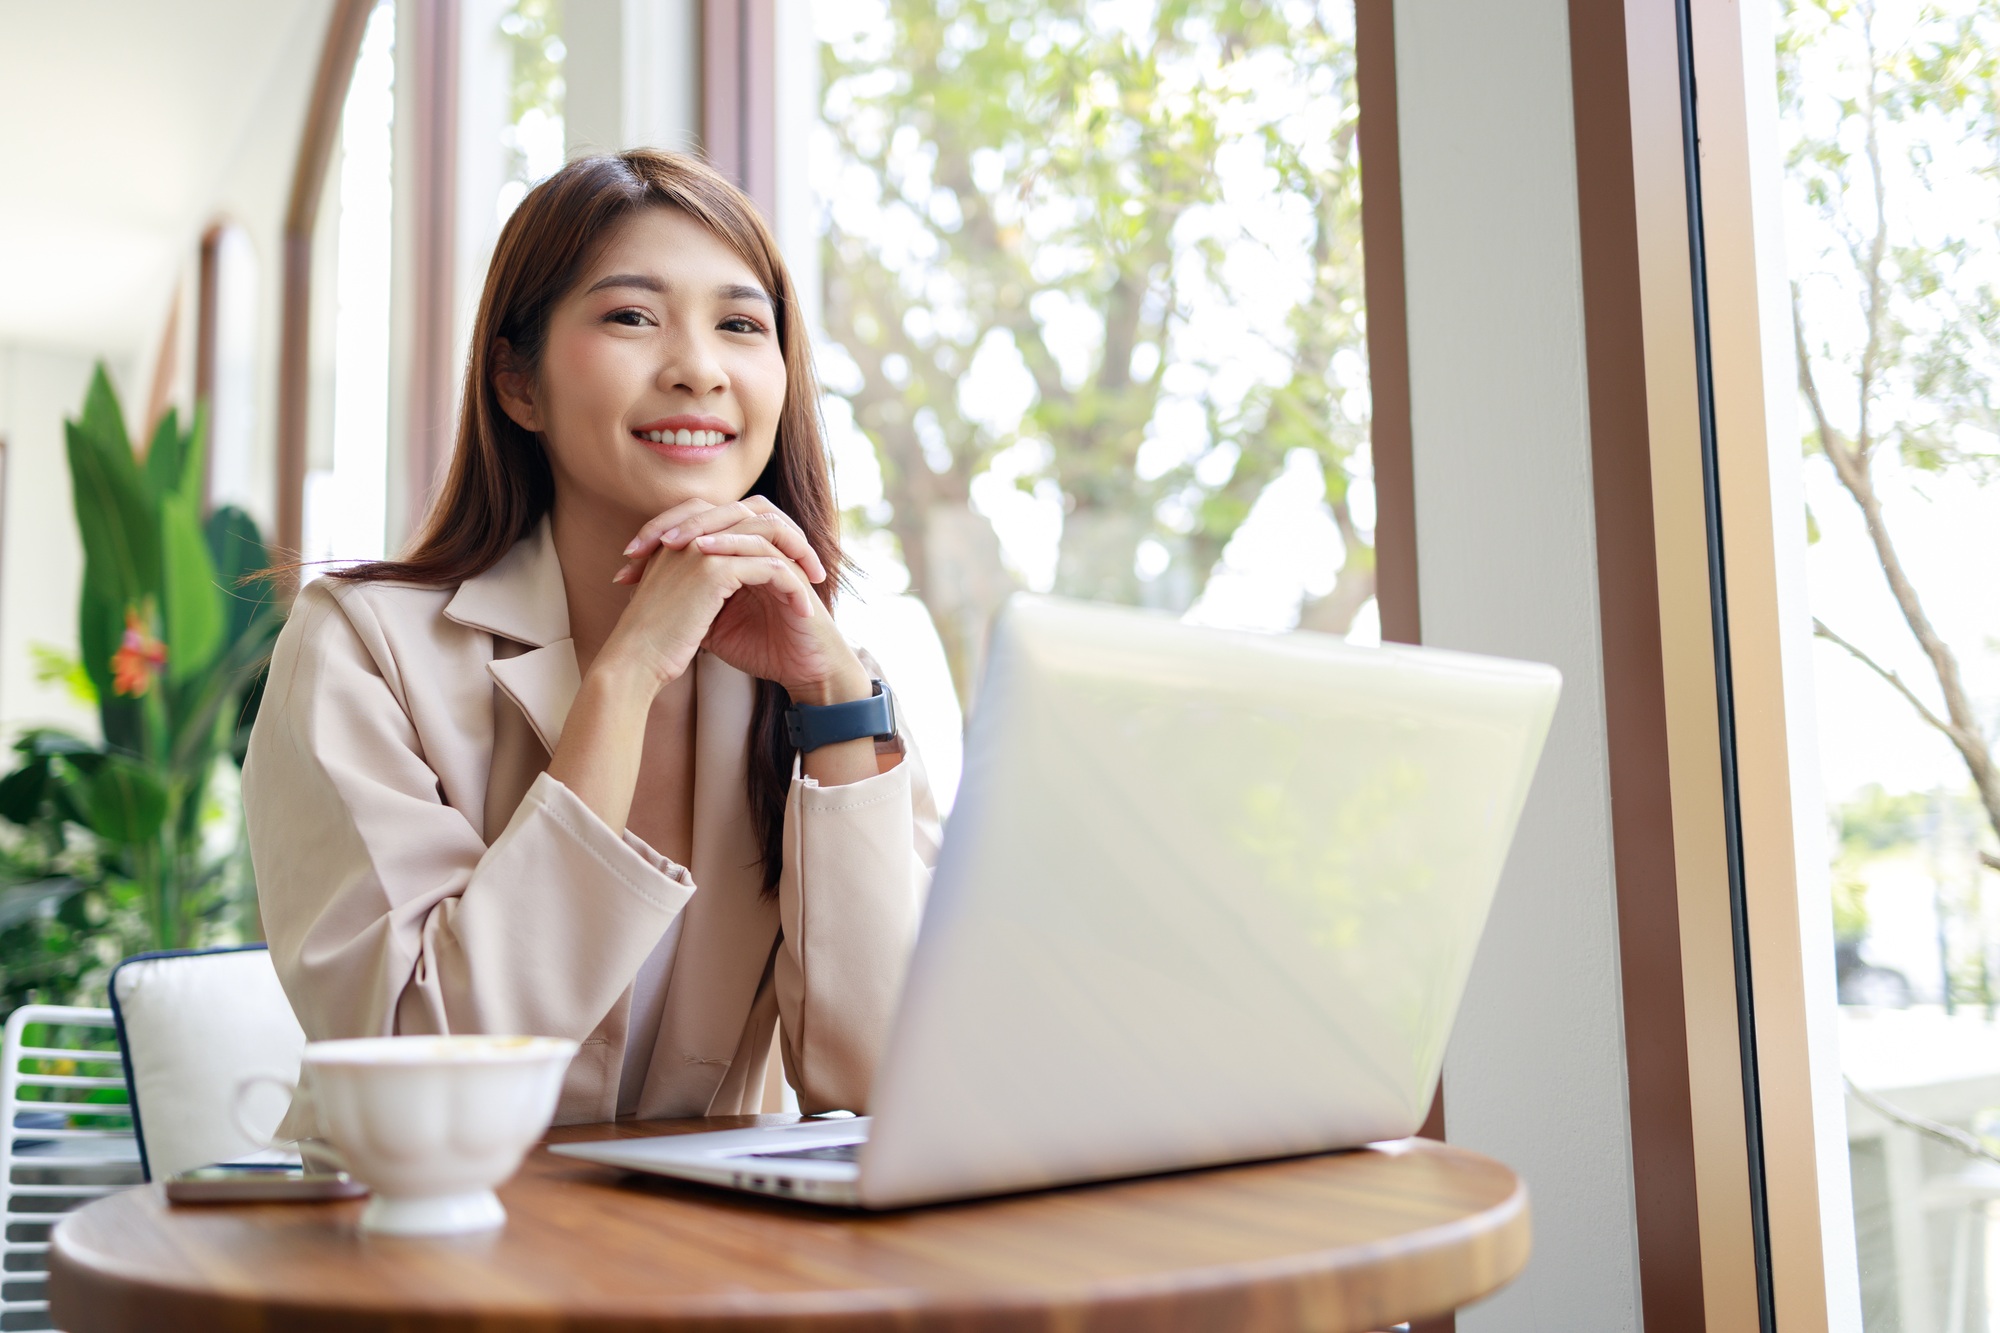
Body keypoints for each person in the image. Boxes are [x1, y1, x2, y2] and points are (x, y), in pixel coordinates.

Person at [244, 150, 939, 1129]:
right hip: (417, 1242)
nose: (698, 367)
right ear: (517, 386)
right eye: (630, 316)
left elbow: (883, 1082)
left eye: (741, 325)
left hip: (701, 1259)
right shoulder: (361, 647)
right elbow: (427, 1072)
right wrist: (623, 681)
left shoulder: (825, 675)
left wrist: (833, 702)